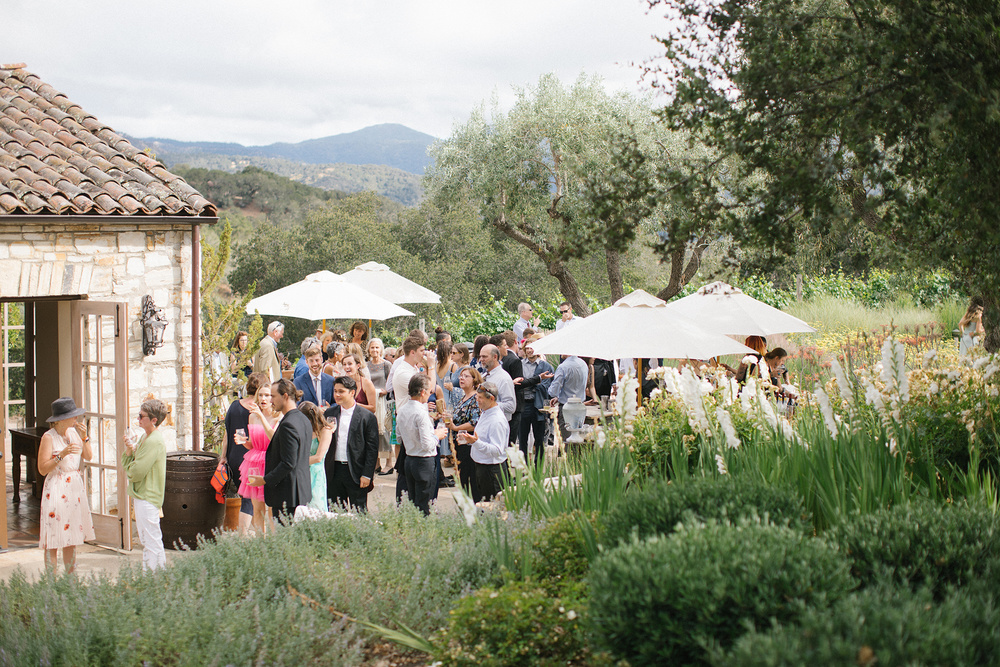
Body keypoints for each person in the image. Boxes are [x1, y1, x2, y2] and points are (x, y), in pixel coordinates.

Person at [37, 397, 95, 574]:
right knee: (53, 537)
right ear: (61, 419)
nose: (76, 419)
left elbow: (89, 456)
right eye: (72, 416)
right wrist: (60, 455)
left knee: (72, 537)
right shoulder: (49, 437)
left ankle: (70, 582)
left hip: (74, 490)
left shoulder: (73, 433)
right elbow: (42, 469)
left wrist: (85, 438)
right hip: (56, 488)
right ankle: (52, 584)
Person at [247, 379, 312, 521]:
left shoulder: (288, 424)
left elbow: (288, 462)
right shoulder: (303, 418)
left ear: (285, 396)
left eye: (273, 396)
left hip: (287, 495)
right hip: (301, 490)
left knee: (287, 538)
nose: (270, 400)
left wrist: (265, 480)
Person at [121, 399, 168, 570]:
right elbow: (131, 464)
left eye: (141, 416)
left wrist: (129, 463)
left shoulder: (153, 441)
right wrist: (129, 452)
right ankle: (152, 578)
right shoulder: (144, 437)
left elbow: (135, 473)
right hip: (143, 495)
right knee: (149, 540)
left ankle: (156, 580)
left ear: (154, 420)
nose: (138, 419)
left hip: (148, 496)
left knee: (151, 541)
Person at [323, 375, 379, 512]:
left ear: (352, 392)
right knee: (335, 512)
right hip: (334, 470)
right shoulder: (330, 413)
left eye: (341, 391)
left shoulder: (367, 417)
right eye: (335, 391)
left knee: (359, 512)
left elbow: (372, 449)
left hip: (355, 470)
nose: (337, 394)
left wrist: (367, 474)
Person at [223, 371, 269, 534]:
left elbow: (227, 434)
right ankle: (244, 536)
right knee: (249, 500)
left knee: (245, 498)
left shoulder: (235, 406)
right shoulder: (259, 411)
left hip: (233, 456)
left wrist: (223, 457)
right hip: (252, 459)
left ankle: (248, 535)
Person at [396, 374, 448, 515]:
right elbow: (427, 444)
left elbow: (399, 437)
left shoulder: (401, 410)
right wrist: (437, 435)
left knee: (413, 501)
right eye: (429, 391)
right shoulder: (421, 412)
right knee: (425, 504)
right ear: (422, 392)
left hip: (409, 460)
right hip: (424, 461)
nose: (430, 394)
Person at [238, 381, 279, 536]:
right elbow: (253, 445)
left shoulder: (277, 417)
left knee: (271, 508)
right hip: (254, 462)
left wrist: (262, 416)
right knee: (257, 507)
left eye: (267, 395)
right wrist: (243, 442)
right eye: (260, 395)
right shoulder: (252, 417)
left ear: (273, 398)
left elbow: (275, 440)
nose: (263, 398)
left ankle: (273, 541)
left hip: (271, 462)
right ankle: (260, 542)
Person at [459, 382, 509, 502]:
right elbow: (481, 439)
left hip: (492, 472)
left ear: (491, 398)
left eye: (480, 398)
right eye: (477, 397)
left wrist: (475, 442)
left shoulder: (497, 420)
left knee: (492, 508)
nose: (477, 400)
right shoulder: (486, 412)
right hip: (481, 468)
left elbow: (497, 450)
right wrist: (469, 440)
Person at [447, 365, 483, 501]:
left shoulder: (475, 398)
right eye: (461, 376)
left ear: (474, 380)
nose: (461, 378)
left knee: (469, 479)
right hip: (459, 444)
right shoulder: (464, 397)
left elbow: (475, 422)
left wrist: (455, 428)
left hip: (468, 444)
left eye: (466, 376)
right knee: (462, 479)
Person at [516, 334, 554, 463]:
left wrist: (528, 383)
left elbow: (546, 388)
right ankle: (523, 465)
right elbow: (519, 385)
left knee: (539, 439)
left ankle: (538, 466)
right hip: (523, 404)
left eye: (532, 348)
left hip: (539, 406)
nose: (529, 350)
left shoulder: (546, 366)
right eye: (527, 348)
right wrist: (535, 382)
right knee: (522, 438)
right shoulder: (519, 365)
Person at [298, 402, 333, 512]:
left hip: (316, 473)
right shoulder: (302, 430)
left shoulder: (325, 431)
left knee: (316, 506)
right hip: (301, 473)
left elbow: (318, 457)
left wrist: (296, 462)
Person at [367, 338, 394, 475]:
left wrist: (385, 391)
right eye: (372, 348)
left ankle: (389, 463)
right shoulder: (366, 365)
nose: (375, 350)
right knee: (373, 432)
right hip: (372, 402)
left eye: (377, 348)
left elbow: (391, 382)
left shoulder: (387, 364)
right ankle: (377, 463)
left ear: (381, 349)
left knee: (385, 432)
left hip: (384, 403)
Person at [548, 354, 588, 443]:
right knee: (578, 439)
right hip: (580, 406)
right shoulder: (583, 364)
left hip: (567, 408)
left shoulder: (563, 367)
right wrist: (560, 397)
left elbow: (553, 391)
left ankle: (568, 456)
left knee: (567, 441)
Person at [479, 343, 516, 428]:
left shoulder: (504, 378)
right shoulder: (484, 376)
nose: (481, 359)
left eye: (484, 357)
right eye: (480, 356)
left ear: (495, 357)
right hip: (484, 422)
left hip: (497, 425)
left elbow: (511, 406)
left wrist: (490, 404)